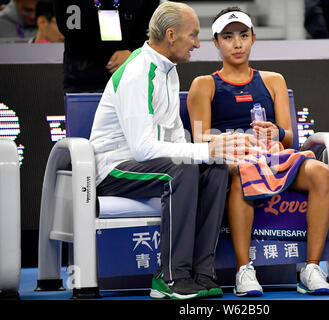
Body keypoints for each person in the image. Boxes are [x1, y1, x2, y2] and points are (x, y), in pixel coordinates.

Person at [89, 1, 257, 301]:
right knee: (182, 170)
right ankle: (170, 277)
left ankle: (201, 273)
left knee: (216, 168)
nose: (197, 43)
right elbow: (142, 149)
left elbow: (177, 141)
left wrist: (213, 154)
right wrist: (203, 151)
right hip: (113, 167)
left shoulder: (169, 70)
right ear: (170, 35)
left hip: (148, 165)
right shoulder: (139, 71)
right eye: (192, 35)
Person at [187, 7, 329, 297]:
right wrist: (235, 141)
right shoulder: (203, 85)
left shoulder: (273, 80)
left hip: (274, 158)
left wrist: (275, 132)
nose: (237, 43)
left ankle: (312, 268)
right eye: (228, 37)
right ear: (216, 42)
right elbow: (200, 137)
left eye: (243, 35)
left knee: (320, 172)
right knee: (245, 170)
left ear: (253, 38)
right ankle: (244, 270)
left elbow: (289, 137)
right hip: (233, 161)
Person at [53, 0, 158, 93]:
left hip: (131, 79)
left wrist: (133, 53)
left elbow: (151, 25)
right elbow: (68, 28)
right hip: (82, 79)